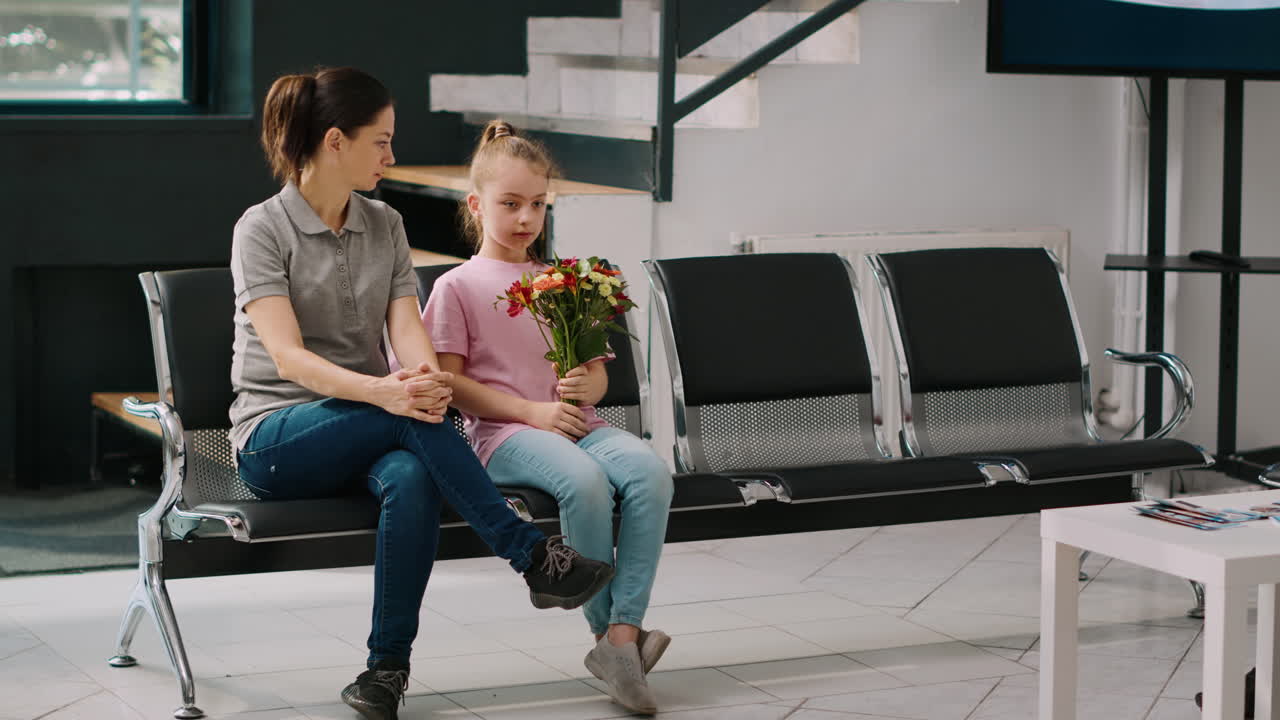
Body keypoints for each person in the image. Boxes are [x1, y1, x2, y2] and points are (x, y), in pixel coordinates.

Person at [230, 68, 614, 720]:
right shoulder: (262, 229)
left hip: (374, 420)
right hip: (276, 437)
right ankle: (530, 556)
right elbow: (290, 358)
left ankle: (385, 673)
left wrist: (424, 382)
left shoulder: (384, 224)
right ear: (334, 141)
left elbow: (408, 331)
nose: (391, 156)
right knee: (409, 425)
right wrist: (389, 393)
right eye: (380, 142)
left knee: (411, 471)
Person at [422, 119, 676, 715]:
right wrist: (532, 410)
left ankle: (621, 638)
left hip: (578, 423)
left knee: (649, 474)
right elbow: (452, 385)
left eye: (538, 204)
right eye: (510, 204)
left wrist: (587, 380)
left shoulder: (563, 281)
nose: (526, 219)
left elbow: (599, 376)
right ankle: (605, 636)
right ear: (476, 205)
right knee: (584, 483)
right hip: (504, 434)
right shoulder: (455, 287)